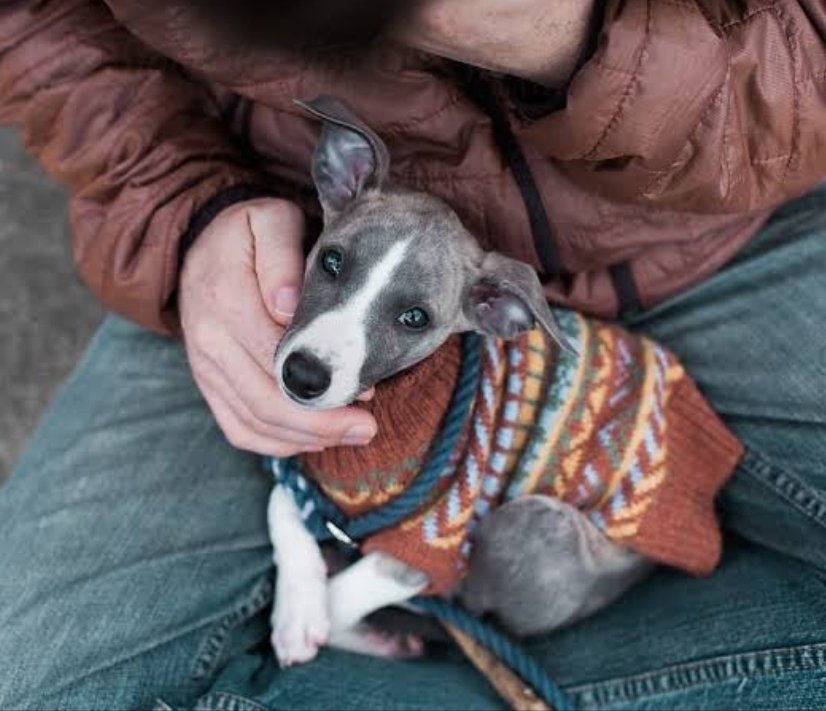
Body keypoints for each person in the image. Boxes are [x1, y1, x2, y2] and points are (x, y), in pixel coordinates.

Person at [0, 0, 825, 708]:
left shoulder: (487, 308)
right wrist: (182, 203)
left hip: (717, 228)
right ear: (342, 167)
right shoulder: (340, 203)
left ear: (498, 314)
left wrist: (568, 39)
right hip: (262, 217)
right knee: (35, 684)